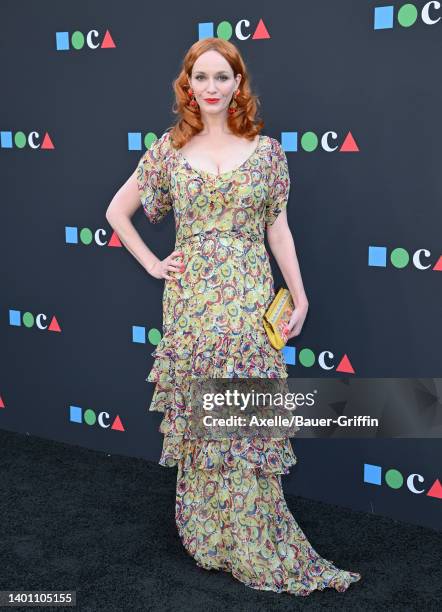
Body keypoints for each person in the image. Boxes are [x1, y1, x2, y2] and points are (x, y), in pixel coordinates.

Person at [106, 37, 361, 597]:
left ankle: (251, 533)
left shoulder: (268, 152)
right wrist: (153, 263)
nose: (213, 87)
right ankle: (207, 533)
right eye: (202, 78)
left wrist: (300, 294)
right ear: (188, 86)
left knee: (245, 416)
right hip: (192, 303)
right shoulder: (169, 150)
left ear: (238, 84)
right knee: (202, 415)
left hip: (249, 301)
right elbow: (116, 211)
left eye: (223, 77)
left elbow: (278, 229)